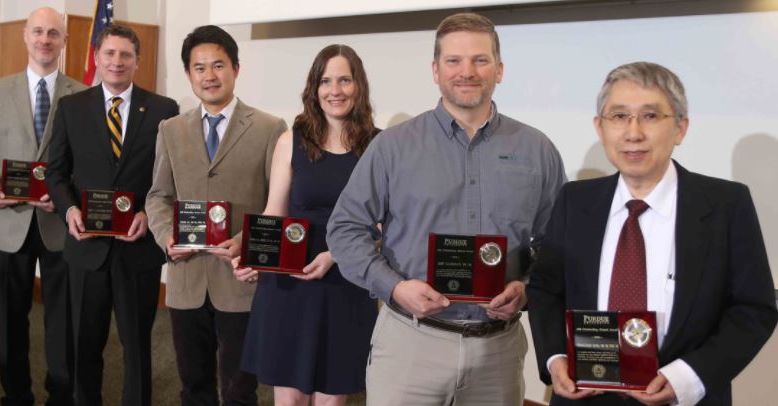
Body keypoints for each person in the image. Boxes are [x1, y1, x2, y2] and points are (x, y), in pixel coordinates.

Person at [327, 12, 566, 405]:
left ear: (500, 69)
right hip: (410, 343)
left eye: (480, 60)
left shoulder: (536, 149)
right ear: (436, 71)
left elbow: (557, 244)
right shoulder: (393, 147)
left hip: (497, 354)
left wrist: (527, 288)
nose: (466, 71)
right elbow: (344, 229)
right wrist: (395, 287)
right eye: (454, 61)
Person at [526, 62, 778, 406]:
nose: (633, 133)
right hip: (587, 396)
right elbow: (545, 290)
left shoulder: (726, 205)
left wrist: (687, 378)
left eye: (650, 116)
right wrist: (555, 358)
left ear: (680, 128)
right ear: (600, 128)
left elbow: (754, 310)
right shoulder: (575, 200)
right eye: (618, 116)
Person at [145, 25, 286, 405]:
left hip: (241, 280)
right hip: (186, 278)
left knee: (240, 388)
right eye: (200, 68)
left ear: (236, 69)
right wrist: (165, 237)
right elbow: (158, 196)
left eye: (218, 65)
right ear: (189, 75)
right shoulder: (170, 130)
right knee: (194, 387)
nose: (209, 76)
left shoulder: (270, 128)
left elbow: (280, 202)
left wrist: (249, 243)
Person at [231, 44, 379, 405]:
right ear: (314, 88)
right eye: (325, 81)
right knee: (290, 399)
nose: (335, 90)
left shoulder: (379, 145)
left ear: (358, 86)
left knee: (331, 399)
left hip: (346, 282)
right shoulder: (290, 140)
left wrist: (337, 255)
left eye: (345, 80)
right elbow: (274, 211)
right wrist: (254, 254)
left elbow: (383, 226)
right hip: (289, 283)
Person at [45, 24, 179, 405]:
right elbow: (55, 173)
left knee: (137, 347)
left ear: (137, 61)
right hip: (86, 249)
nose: (116, 62)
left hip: (137, 250)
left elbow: (170, 178)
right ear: (96, 58)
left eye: (125, 55)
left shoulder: (163, 110)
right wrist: (69, 209)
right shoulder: (71, 107)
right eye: (109, 54)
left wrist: (147, 214)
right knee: (84, 345)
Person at [0, 7, 87, 406]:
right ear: (25, 35)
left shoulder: (82, 95)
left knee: (62, 322)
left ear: (65, 41)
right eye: (37, 31)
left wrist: (67, 193)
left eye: (53, 33)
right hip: (8, 223)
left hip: (60, 226)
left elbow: (88, 162)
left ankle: (61, 395)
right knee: (10, 322)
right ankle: (16, 396)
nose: (44, 40)